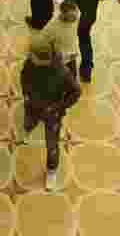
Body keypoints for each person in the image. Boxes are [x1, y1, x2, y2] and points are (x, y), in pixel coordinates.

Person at [20, 38, 81, 191]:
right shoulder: (30, 62)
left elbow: (76, 92)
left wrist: (58, 107)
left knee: (52, 144)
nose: (29, 56)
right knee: (29, 121)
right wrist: (26, 93)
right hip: (32, 105)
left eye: (32, 55)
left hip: (52, 113)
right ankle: (27, 132)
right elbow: (24, 76)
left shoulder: (63, 72)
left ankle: (52, 172)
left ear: (43, 59)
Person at [64, 0, 100, 82]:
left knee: (84, 39)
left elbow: (90, 10)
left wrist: (79, 23)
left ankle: (86, 68)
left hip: (85, 16)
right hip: (71, 7)